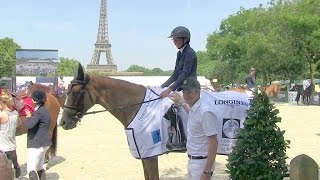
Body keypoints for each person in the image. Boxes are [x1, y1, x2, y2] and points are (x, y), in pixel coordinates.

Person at [170, 77, 218, 180]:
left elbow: (213, 142)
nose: (186, 96)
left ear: (198, 92)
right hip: (193, 160)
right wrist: (182, 103)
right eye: (184, 92)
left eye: (189, 92)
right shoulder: (195, 107)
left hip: (201, 163)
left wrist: (206, 172)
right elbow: (193, 115)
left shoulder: (205, 112)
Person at [160, 26, 198, 98]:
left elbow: (184, 74)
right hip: (181, 88)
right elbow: (175, 75)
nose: (174, 42)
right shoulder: (179, 54)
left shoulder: (190, 53)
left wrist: (169, 90)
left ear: (185, 39)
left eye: (177, 39)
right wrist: (162, 87)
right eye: (173, 40)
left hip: (190, 88)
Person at [25, 90, 51, 180]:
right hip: (45, 143)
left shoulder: (39, 112)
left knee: (31, 169)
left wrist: (28, 117)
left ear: (35, 101)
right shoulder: (45, 110)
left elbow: (30, 125)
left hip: (37, 144)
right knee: (40, 168)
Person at [0, 91, 21, 178]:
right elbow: (17, 126)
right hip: (12, 145)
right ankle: (17, 168)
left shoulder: (2, 115)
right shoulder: (15, 113)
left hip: (2, 146)